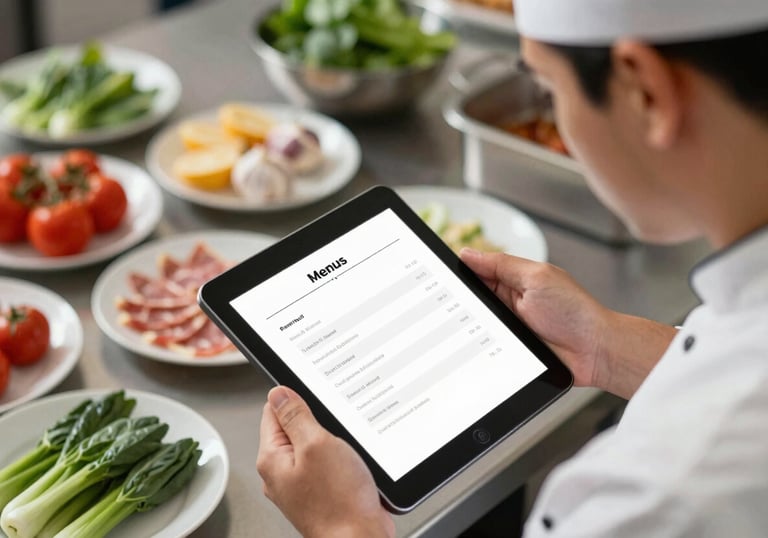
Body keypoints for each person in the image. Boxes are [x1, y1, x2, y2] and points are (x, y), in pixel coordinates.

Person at [255, 0, 768, 535]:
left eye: (550, 89)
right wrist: (607, 345)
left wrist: (344, 525)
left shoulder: (666, 498)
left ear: (645, 92)